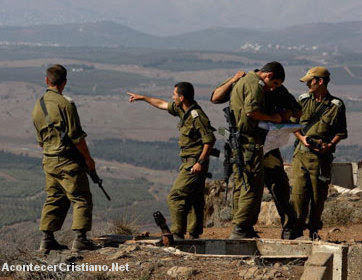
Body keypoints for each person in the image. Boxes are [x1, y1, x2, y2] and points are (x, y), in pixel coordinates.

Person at [211, 68, 301, 239]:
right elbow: (215, 97)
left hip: (268, 143)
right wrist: (233, 79)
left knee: (278, 184)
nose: (272, 88)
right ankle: (242, 227)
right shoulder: (246, 82)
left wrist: (281, 116)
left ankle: (290, 226)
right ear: (266, 75)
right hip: (249, 142)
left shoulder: (277, 89)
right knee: (246, 182)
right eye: (272, 84)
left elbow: (296, 110)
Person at [127, 82, 216, 240]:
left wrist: (200, 163)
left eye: (174, 95)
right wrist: (143, 98)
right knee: (194, 197)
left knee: (175, 196)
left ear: (181, 98)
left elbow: (209, 140)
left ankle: (178, 233)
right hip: (189, 161)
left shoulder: (197, 116)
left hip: (194, 161)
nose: (172, 97)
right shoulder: (183, 110)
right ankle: (194, 234)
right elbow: (162, 104)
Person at [32, 64, 97, 252]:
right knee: (81, 197)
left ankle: (47, 240)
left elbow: (40, 141)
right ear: (64, 83)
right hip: (67, 160)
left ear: (46, 80)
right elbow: (77, 138)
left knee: (54, 197)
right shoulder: (65, 104)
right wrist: (88, 160)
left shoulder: (38, 105)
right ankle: (80, 239)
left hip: (49, 161)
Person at [290, 66, 347, 240]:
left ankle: (314, 231)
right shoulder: (303, 101)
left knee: (318, 196)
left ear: (320, 81)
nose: (307, 84)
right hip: (301, 154)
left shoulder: (336, 106)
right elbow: (293, 125)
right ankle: (296, 230)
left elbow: (341, 132)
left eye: (310, 81)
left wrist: (329, 145)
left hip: (321, 158)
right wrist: (302, 139)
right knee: (298, 194)